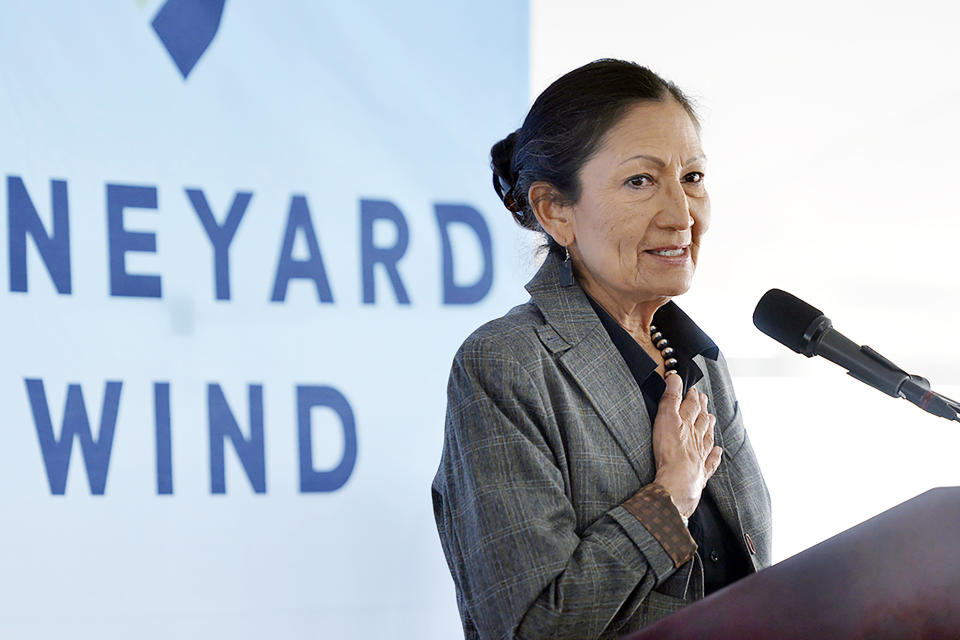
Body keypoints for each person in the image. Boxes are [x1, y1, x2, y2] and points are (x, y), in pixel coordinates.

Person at [431, 59, 772, 640]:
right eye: (641, 181)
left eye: (691, 177)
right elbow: (536, 625)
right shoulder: (507, 363)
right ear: (555, 211)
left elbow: (749, 579)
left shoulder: (700, 364)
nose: (682, 214)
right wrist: (671, 496)